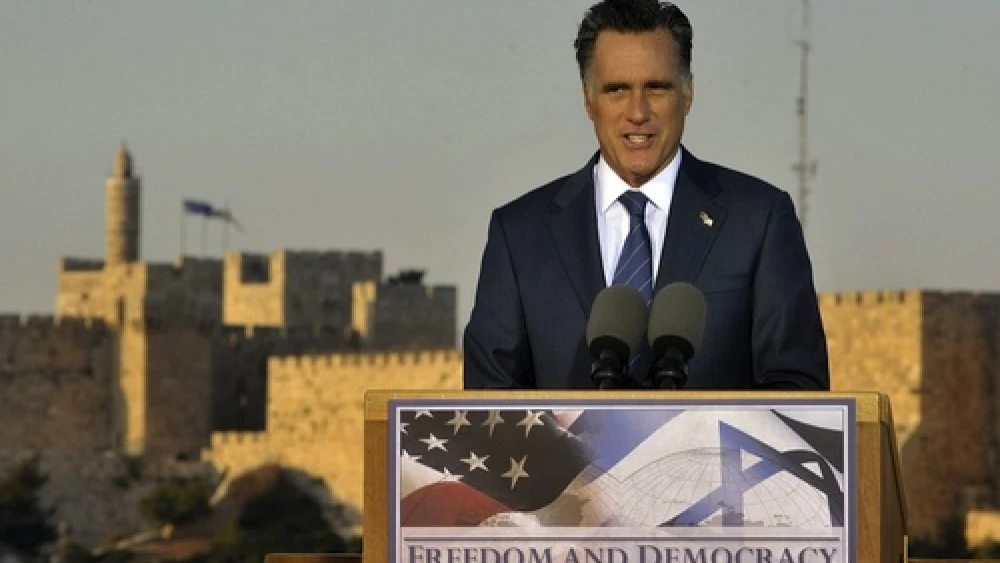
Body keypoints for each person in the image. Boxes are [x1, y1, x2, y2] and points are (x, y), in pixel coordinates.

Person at [463, 0, 829, 390]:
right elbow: (488, 407)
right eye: (617, 89)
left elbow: (798, 394)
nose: (637, 112)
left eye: (656, 87)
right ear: (588, 99)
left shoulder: (759, 221)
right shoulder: (520, 235)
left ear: (687, 94)